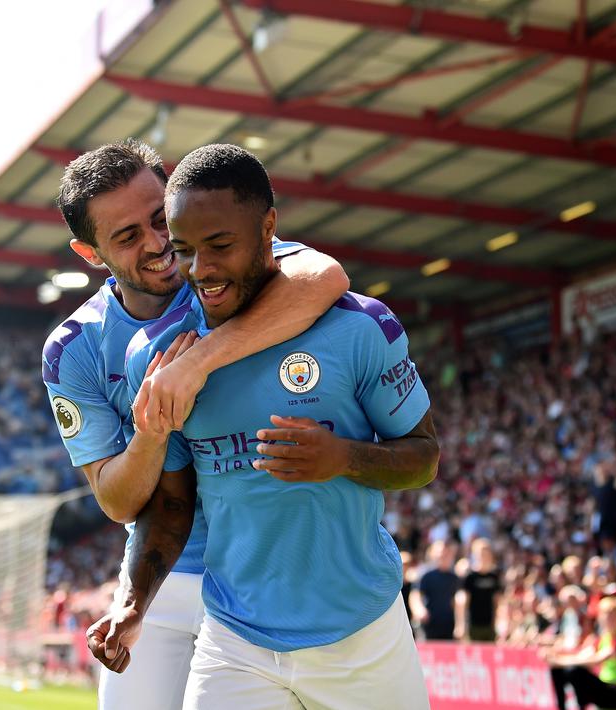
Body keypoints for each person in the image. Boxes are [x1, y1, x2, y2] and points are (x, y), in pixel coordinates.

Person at [96, 143, 439, 709]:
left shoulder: (359, 327)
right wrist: (135, 602)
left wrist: (344, 458)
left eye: (220, 246)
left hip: (362, 634)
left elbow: (424, 457)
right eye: (184, 250)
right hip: (235, 641)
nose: (200, 270)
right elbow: (173, 506)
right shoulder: (156, 361)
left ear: (268, 228)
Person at [42, 139, 348, 709]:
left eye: (160, 218)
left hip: (264, 573)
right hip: (161, 576)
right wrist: (152, 428)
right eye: (127, 236)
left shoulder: (223, 266)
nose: (159, 244)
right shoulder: (73, 349)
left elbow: (325, 276)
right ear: (89, 253)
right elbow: (117, 499)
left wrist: (198, 362)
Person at [542, 597, 616, 710]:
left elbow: (597, 659)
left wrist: (559, 661)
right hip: (607, 687)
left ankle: (581, 707)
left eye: (613, 615)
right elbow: (582, 656)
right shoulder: (604, 638)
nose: (609, 619)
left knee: (574, 671)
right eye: (606, 615)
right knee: (559, 669)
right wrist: (556, 658)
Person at [413, 541, 459, 641]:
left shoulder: (454, 577)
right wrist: (419, 610)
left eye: (446, 553)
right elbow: (415, 596)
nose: (442, 555)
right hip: (429, 623)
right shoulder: (425, 575)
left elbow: (457, 601)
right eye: (440, 553)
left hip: (449, 624)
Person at [456, 538, 500, 642]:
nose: (484, 557)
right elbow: (462, 601)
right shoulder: (470, 576)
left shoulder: (494, 576)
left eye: (486, 553)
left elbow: (497, 601)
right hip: (472, 624)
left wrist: (497, 623)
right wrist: (460, 625)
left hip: (489, 624)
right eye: (481, 553)